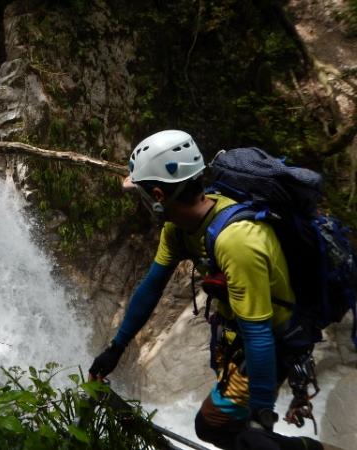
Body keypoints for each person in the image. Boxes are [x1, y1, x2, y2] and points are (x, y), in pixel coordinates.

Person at [88, 130, 324, 450]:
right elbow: (151, 287)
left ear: (158, 194)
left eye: (140, 193)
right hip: (239, 340)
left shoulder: (237, 240)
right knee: (215, 428)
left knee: (228, 431)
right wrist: (115, 349)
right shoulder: (178, 229)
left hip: (273, 342)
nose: (140, 200)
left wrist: (261, 415)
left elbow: (260, 334)